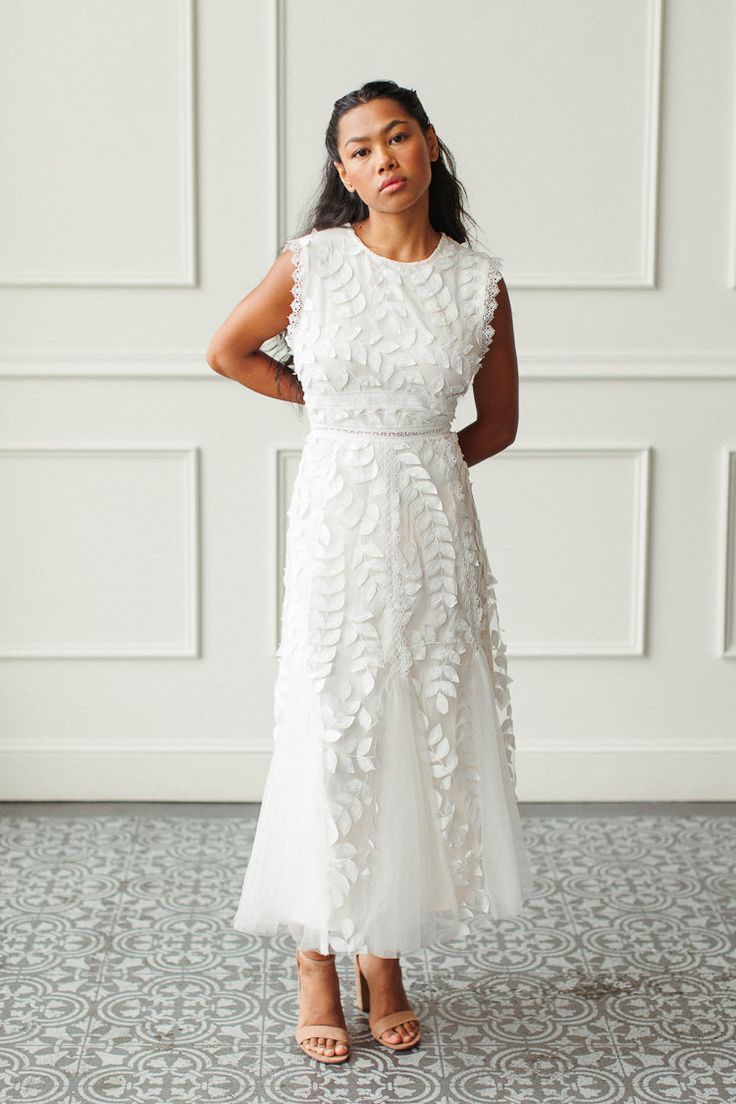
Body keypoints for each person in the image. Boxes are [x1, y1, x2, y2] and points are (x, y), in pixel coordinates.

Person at [206, 78, 533, 1065]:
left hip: (432, 540)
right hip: (338, 529)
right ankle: (316, 954)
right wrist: (328, 417)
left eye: (396, 137)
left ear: (430, 147)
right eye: (358, 148)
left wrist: (417, 472)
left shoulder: (478, 281)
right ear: (342, 171)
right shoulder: (309, 266)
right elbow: (227, 350)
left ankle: (382, 958)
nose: (381, 157)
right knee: (333, 725)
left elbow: (501, 425)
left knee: (413, 734)